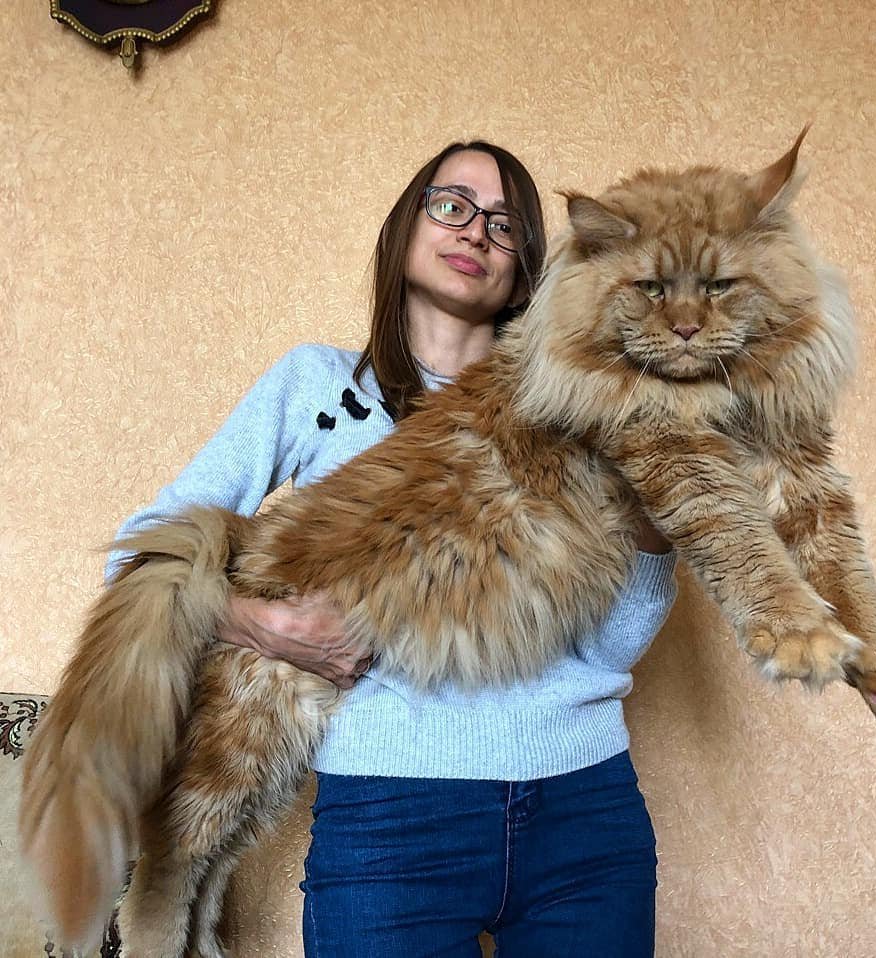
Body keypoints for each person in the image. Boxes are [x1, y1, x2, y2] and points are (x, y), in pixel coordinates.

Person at [108, 140, 677, 957]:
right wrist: (271, 628)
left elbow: (614, 646)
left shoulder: (574, 411)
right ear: (406, 226)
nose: (475, 231)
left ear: (526, 272)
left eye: (505, 223)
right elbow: (134, 562)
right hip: (390, 816)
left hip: (586, 814)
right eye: (452, 205)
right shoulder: (317, 386)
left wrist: (656, 523)